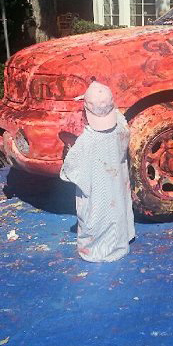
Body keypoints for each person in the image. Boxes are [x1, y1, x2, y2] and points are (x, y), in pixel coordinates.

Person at [59, 81, 135, 262]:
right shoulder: (122, 125)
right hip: (116, 187)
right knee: (119, 207)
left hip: (98, 199)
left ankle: (101, 248)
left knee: (96, 214)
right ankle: (122, 238)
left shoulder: (86, 141)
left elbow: (67, 173)